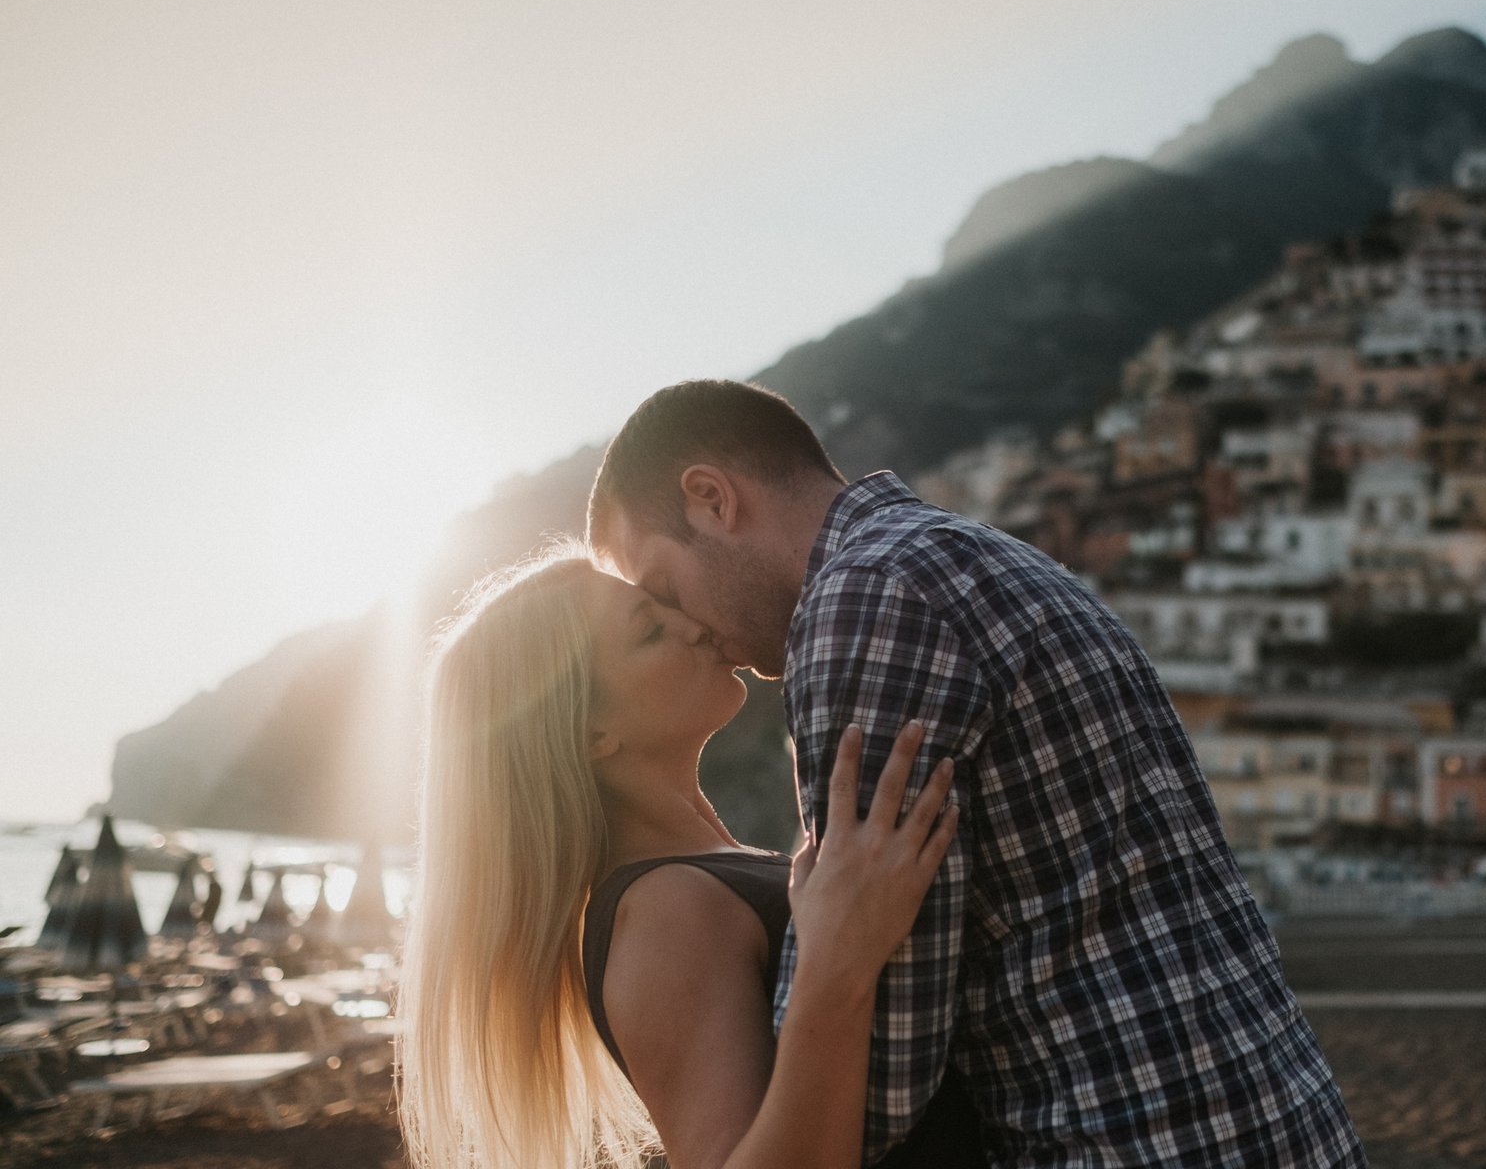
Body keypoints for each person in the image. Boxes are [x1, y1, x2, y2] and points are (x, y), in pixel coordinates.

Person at [588, 379, 1369, 1167]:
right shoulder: (983, 556)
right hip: (1284, 1119)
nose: (693, 628)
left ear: (711, 499)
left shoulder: (863, 604)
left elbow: (885, 1073)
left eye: (663, 588)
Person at [397, 546, 961, 1169]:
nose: (695, 624)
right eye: (651, 630)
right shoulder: (668, 912)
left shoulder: (698, 878)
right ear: (591, 734)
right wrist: (838, 964)